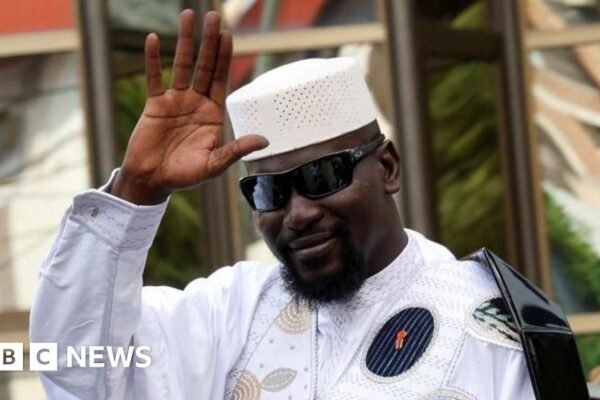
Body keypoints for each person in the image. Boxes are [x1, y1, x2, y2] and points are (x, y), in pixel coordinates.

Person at [30, 9, 537, 400]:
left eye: (323, 177)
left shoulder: (488, 326)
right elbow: (78, 370)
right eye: (270, 191)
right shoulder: (233, 312)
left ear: (387, 167)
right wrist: (135, 190)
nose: (298, 214)